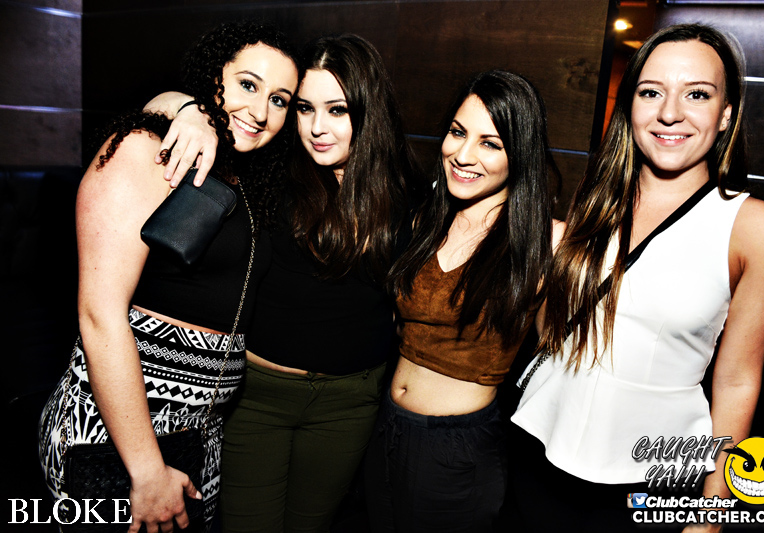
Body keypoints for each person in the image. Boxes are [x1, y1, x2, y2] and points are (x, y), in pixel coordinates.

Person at [511, 23, 764, 532]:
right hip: (540, 452)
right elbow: (555, 334)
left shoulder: (756, 229)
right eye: (651, 92)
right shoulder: (594, 200)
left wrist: (711, 514)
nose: (670, 113)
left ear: (726, 114)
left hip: (654, 479)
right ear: (630, 106)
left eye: (697, 94)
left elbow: (737, 381)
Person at [148, 34, 421, 532]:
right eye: (303, 108)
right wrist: (187, 110)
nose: (316, 127)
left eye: (337, 110)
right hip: (258, 397)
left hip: (349, 403)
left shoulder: (407, 193)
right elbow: (157, 104)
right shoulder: (269, 168)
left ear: (369, 111)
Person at [37, 21, 299, 532]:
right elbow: (99, 315)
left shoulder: (237, 170)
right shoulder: (144, 149)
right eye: (247, 84)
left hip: (199, 433)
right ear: (212, 77)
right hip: (116, 435)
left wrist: (188, 108)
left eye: (279, 100)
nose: (260, 111)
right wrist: (146, 469)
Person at [363, 70, 563, 533]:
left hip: (458, 449)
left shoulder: (547, 243)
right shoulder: (424, 222)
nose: (464, 154)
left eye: (490, 143)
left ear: (520, 153)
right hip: (386, 426)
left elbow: (565, 354)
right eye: (457, 133)